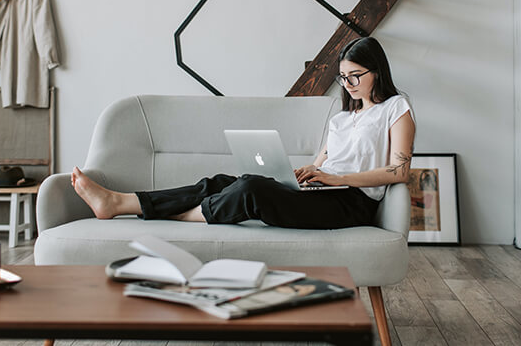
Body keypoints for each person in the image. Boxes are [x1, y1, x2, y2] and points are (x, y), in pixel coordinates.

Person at [71, 36, 415, 229]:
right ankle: (119, 202)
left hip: (350, 204)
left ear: (376, 70)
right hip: (321, 193)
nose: (348, 84)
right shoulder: (342, 118)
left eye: (355, 75)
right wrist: (304, 175)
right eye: (343, 77)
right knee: (223, 181)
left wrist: (336, 180)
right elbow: (322, 162)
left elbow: (400, 171)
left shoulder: (396, 108)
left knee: (250, 189)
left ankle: (168, 214)